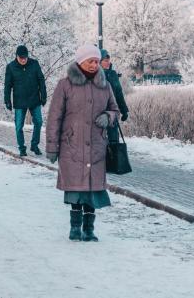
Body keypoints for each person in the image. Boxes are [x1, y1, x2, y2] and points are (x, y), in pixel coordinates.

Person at [45, 44, 120, 242]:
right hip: (72, 146)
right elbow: (54, 118)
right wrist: (52, 146)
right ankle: (75, 228)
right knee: (76, 189)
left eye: (97, 61)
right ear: (80, 62)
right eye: (91, 61)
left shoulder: (105, 85)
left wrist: (108, 116)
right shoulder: (65, 85)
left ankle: (89, 230)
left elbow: (115, 110)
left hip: (96, 147)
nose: (95, 65)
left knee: (93, 190)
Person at [4, 45, 47, 157]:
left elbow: (41, 80)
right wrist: (7, 100)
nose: (23, 60)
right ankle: (22, 148)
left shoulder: (34, 64)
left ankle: (34, 145)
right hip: (19, 101)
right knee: (19, 126)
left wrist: (43, 95)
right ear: (17, 56)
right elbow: (7, 86)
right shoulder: (11, 67)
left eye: (25, 57)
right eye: (21, 58)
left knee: (38, 122)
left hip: (34, 99)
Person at [100, 49, 129, 142]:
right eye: (105, 61)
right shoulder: (93, 75)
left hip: (112, 112)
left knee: (114, 139)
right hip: (97, 113)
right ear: (99, 61)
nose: (108, 63)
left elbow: (119, 94)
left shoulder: (113, 74)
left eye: (108, 60)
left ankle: (114, 150)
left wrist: (124, 111)